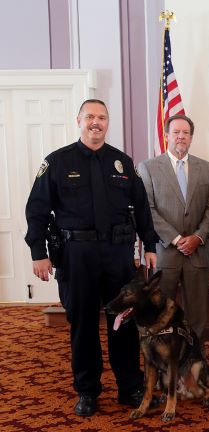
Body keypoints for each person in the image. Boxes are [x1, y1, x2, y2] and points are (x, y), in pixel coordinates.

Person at [24, 99, 160, 416]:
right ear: (79, 121)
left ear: (107, 123)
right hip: (76, 255)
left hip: (117, 254)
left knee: (124, 323)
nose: (95, 122)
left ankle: (130, 387)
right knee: (83, 324)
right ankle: (87, 391)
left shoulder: (123, 163)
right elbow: (37, 210)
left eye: (101, 117)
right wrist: (38, 253)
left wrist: (150, 245)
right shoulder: (56, 162)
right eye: (89, 117)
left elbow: (141, 208)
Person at [137, 114, 209, 340]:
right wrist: (175, 238)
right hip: (164, 254)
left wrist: (198, 237)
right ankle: (163, 366)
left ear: (191, 137)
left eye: (185, 133)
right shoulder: (148, 168)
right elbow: (147, 210)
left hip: (197, 253)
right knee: (160, 315)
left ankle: (194, 363)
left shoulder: (207, 169)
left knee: (197, 317)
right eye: (176, 132)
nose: (181, 137)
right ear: (166, 136)